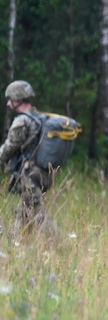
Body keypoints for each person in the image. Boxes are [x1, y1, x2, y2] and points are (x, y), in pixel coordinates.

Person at [0, 80, 57, 236]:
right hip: (42, 173)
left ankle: (57, 245)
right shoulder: (39, 117)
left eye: (10, 99)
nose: (8, 103)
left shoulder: (22, 121)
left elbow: (10, 147)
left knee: (38, 213)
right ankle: (17, 244)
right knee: (23, 213)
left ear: (18, 99)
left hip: (29, 175)